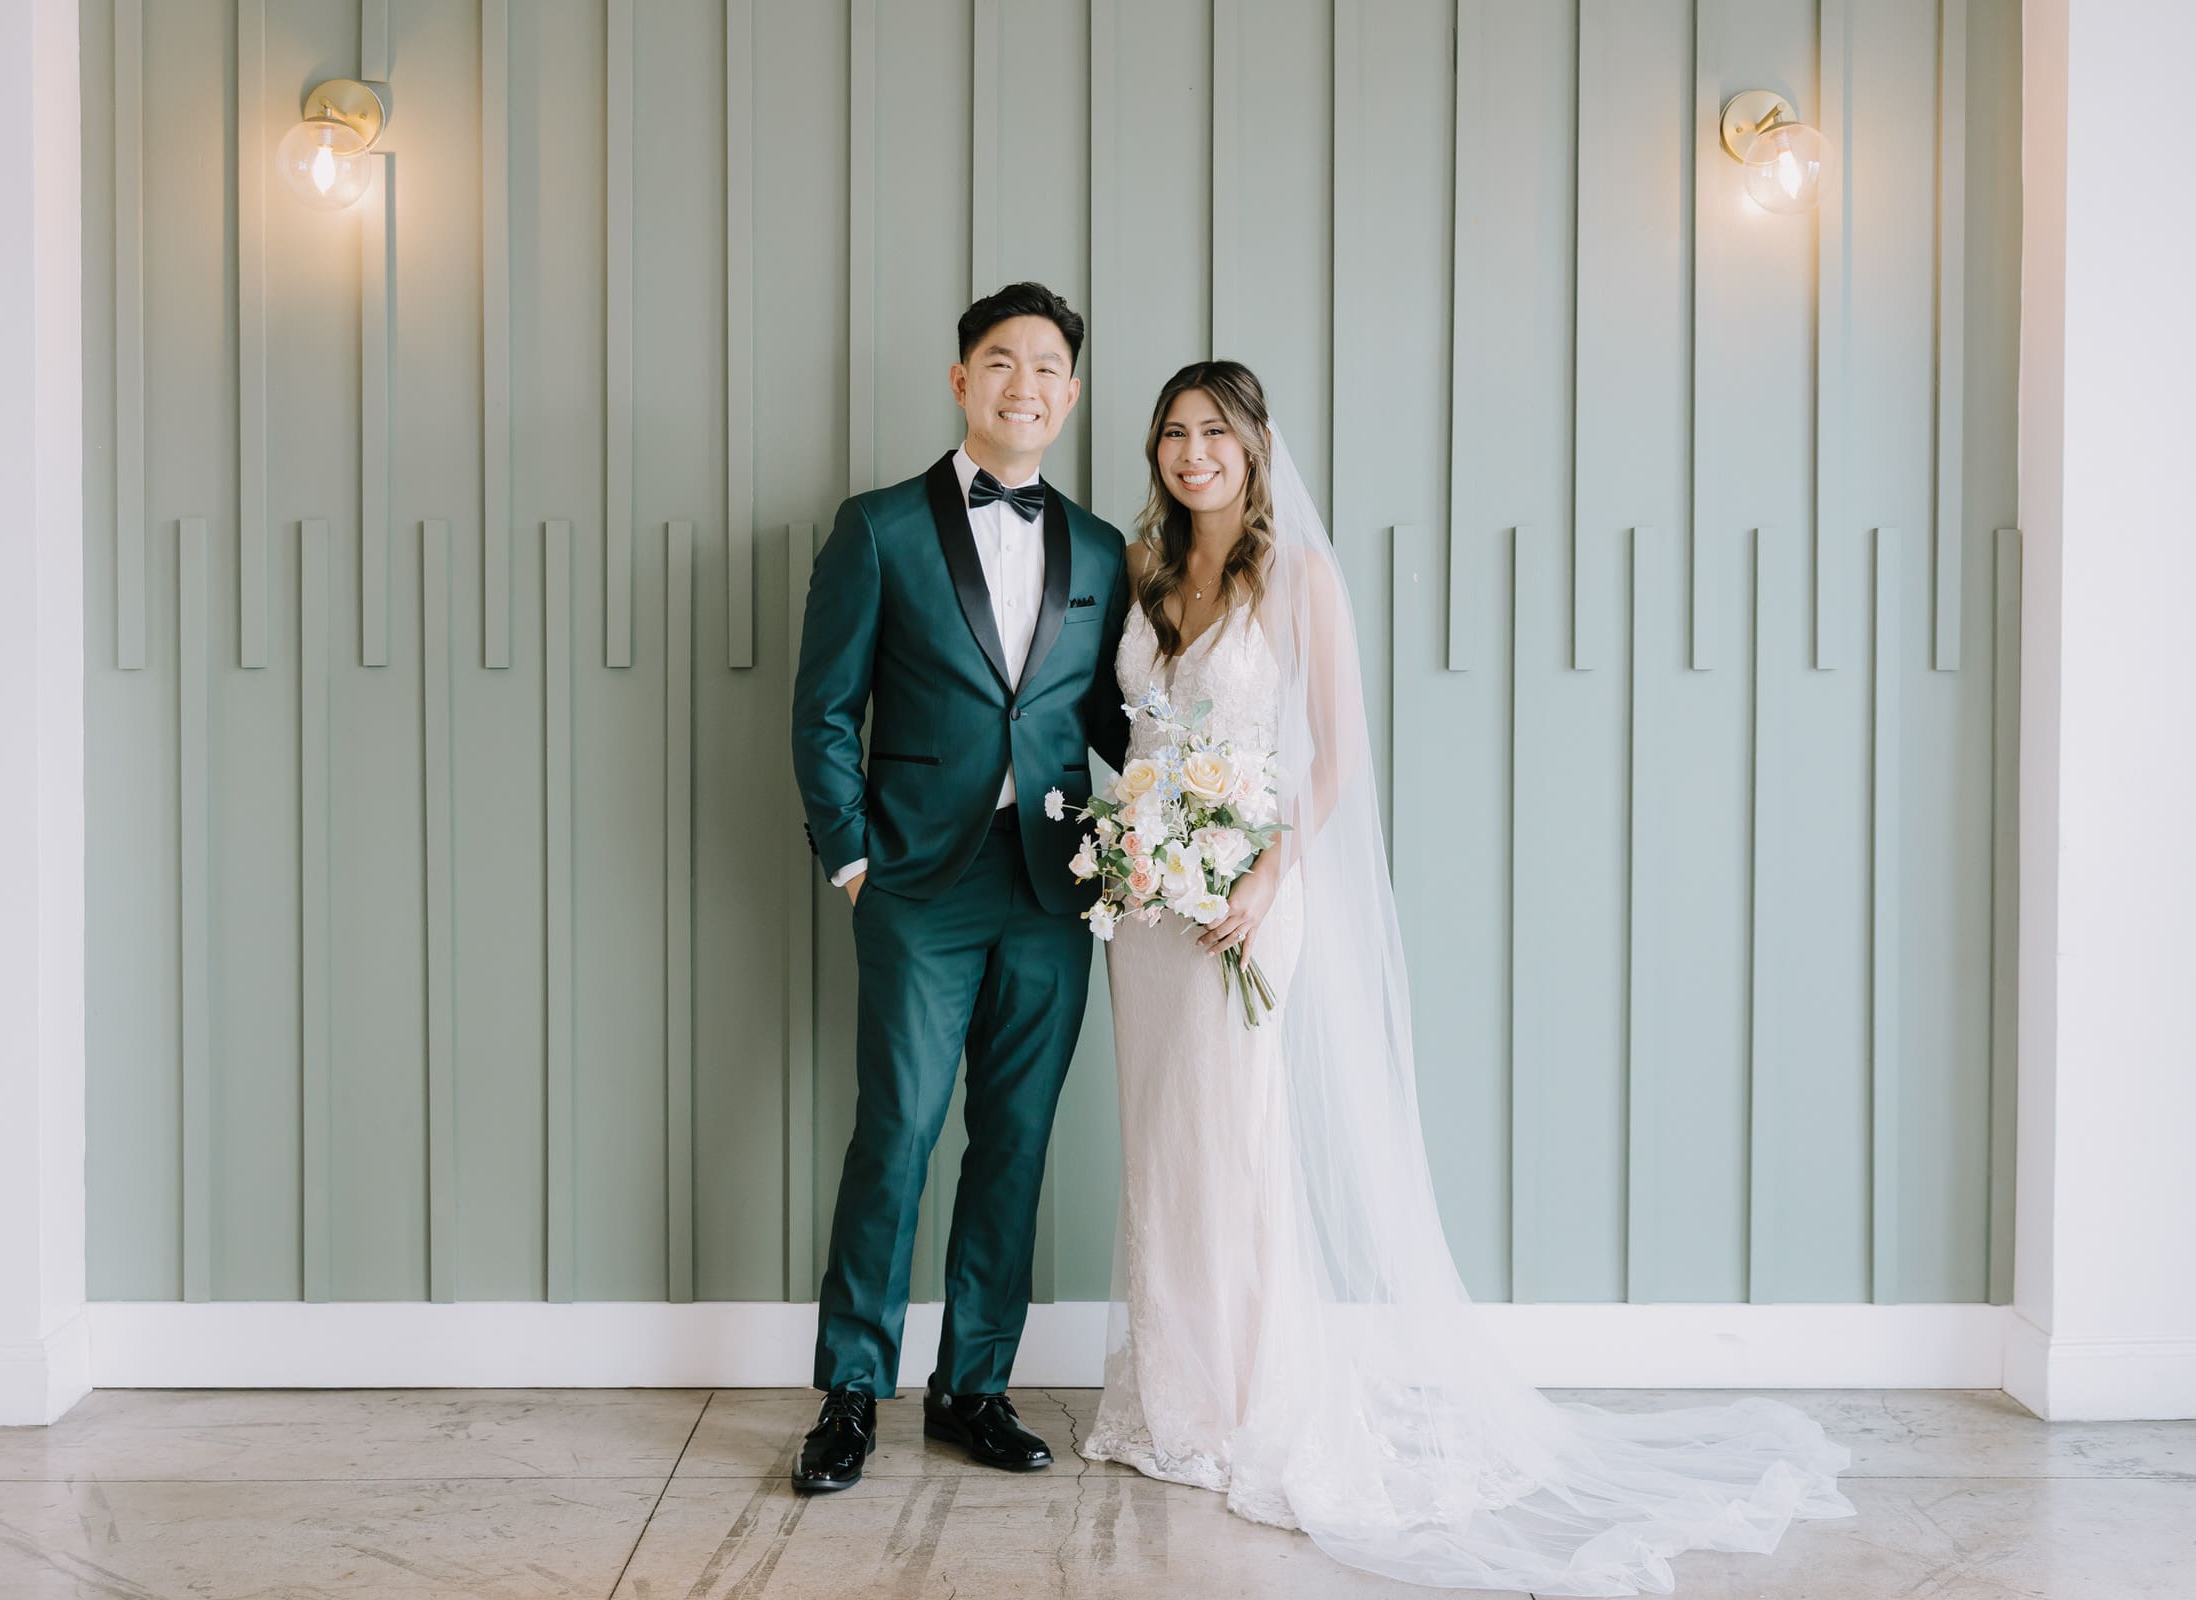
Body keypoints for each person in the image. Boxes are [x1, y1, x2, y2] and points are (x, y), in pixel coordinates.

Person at [1080, 359, 1856, 1594]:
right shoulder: (1144, 570)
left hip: (1245, 898)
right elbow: (1128, 729)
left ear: (1255, 445)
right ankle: (1173, 1399)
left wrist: (1268, 874)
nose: (1192, 453)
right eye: (1174, 432)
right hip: (1150, 906)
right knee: (1164, 1139)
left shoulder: (1299, 577)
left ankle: (1247, 1400)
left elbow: (1334, 752)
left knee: (1235, 1140)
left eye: (1214, 431)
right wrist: (1135, 844)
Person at [786, 283, 1131, 1492]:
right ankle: (850, 1392)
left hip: (1055, 882)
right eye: (999, 361)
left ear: (1070, 396)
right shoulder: (878, 527)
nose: (1022, 385)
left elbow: (1112, 720)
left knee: (1016, 1139)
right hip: (916, 883)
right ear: (960, 380)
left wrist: (1202, 802)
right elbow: (826, 709)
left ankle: (973, 1385)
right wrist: (852, 858)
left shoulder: (1101, 549)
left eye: (1045, 368)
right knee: (897, 1131)